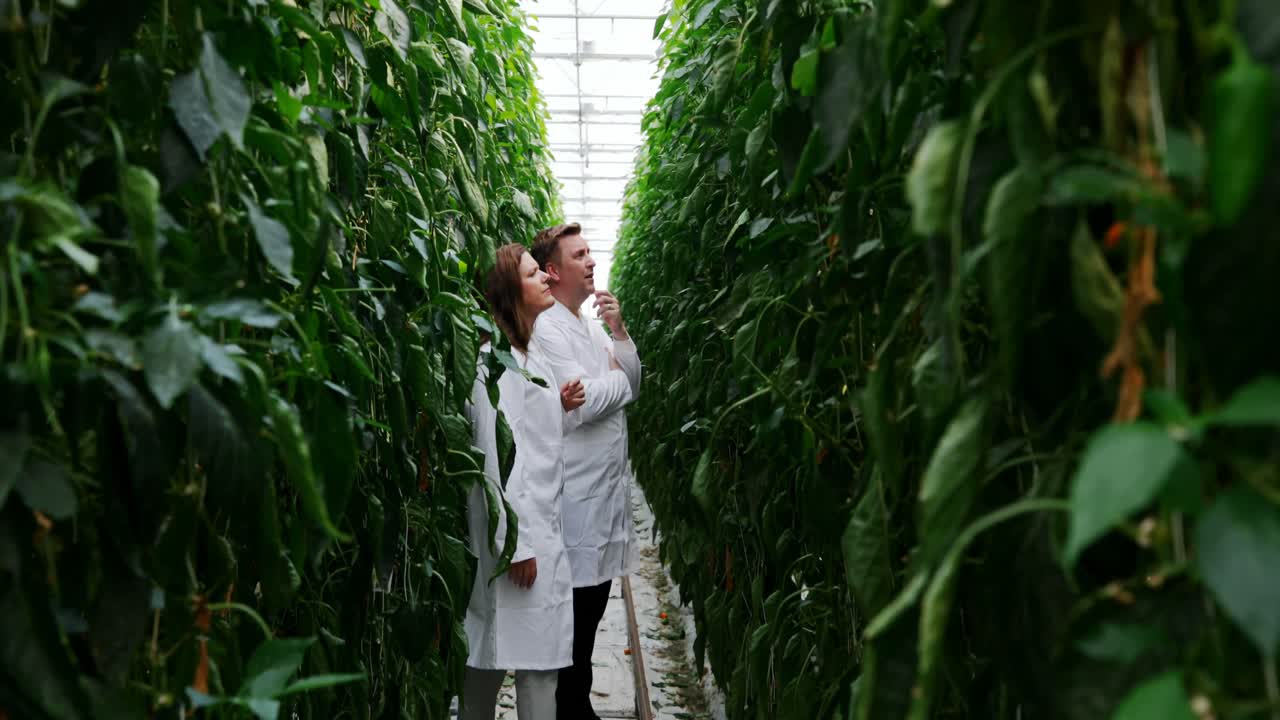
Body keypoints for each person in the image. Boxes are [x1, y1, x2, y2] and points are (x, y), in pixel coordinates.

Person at [462, 243, 588, 720]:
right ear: (513, 291)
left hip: (535, 532)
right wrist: (516, 545)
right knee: (514, 662)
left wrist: (560, 405)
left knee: (507, 657)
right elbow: (494, 456)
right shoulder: (493, 364)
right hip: (519, 540)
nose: (548, 279)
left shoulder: (527, 353)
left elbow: (533, 439)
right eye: (536, 274)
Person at [529, 223, 642, 720]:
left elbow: (631, 381)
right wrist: (615, 384)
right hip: (575, 493)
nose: (592, 261)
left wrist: (619, 333)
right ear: (553, 271)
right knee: (576, 611)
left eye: (590, 252)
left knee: (593, 603)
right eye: (579, 255)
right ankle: (571, 707)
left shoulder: (592, 326)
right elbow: (581, 405)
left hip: (603, 491)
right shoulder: (548, 327)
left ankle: (576, 703)